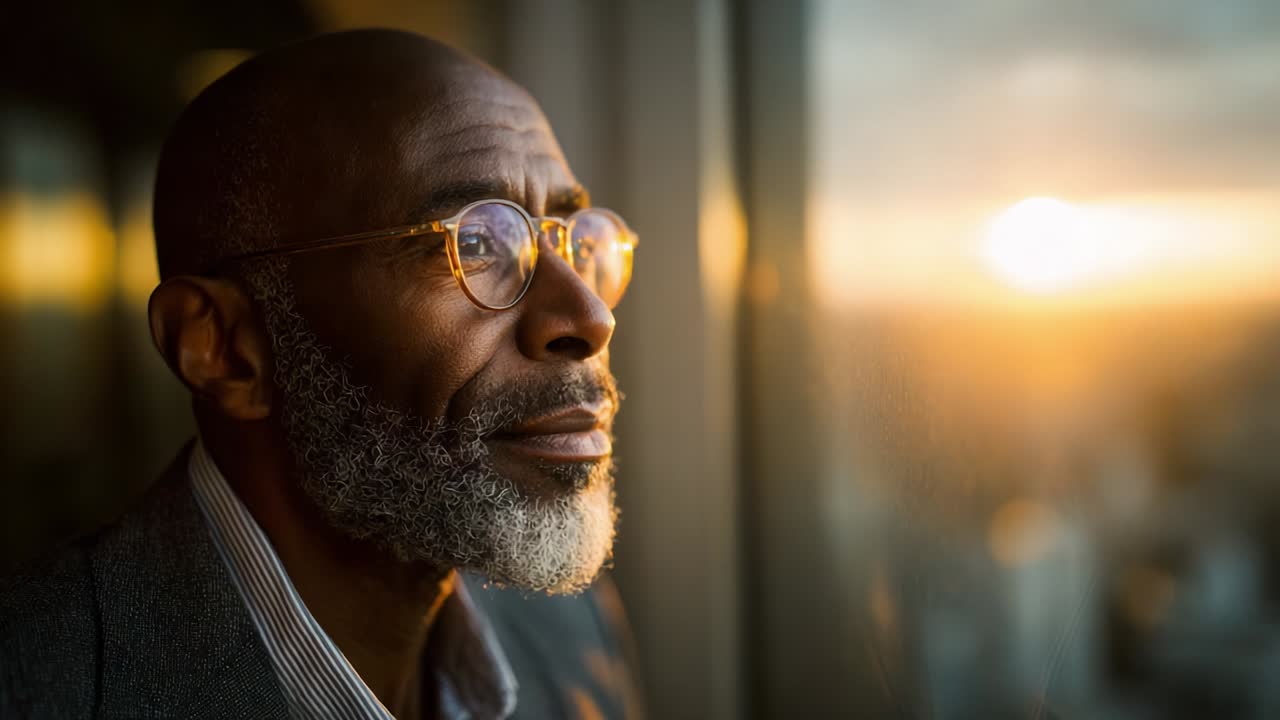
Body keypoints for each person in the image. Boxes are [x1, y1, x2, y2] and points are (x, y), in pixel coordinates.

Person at [0, 29, 642, 719]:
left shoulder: (567, 625)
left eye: (578, 240)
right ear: (225, 348)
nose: (591, 317)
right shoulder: (40, 685)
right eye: (477, 242)